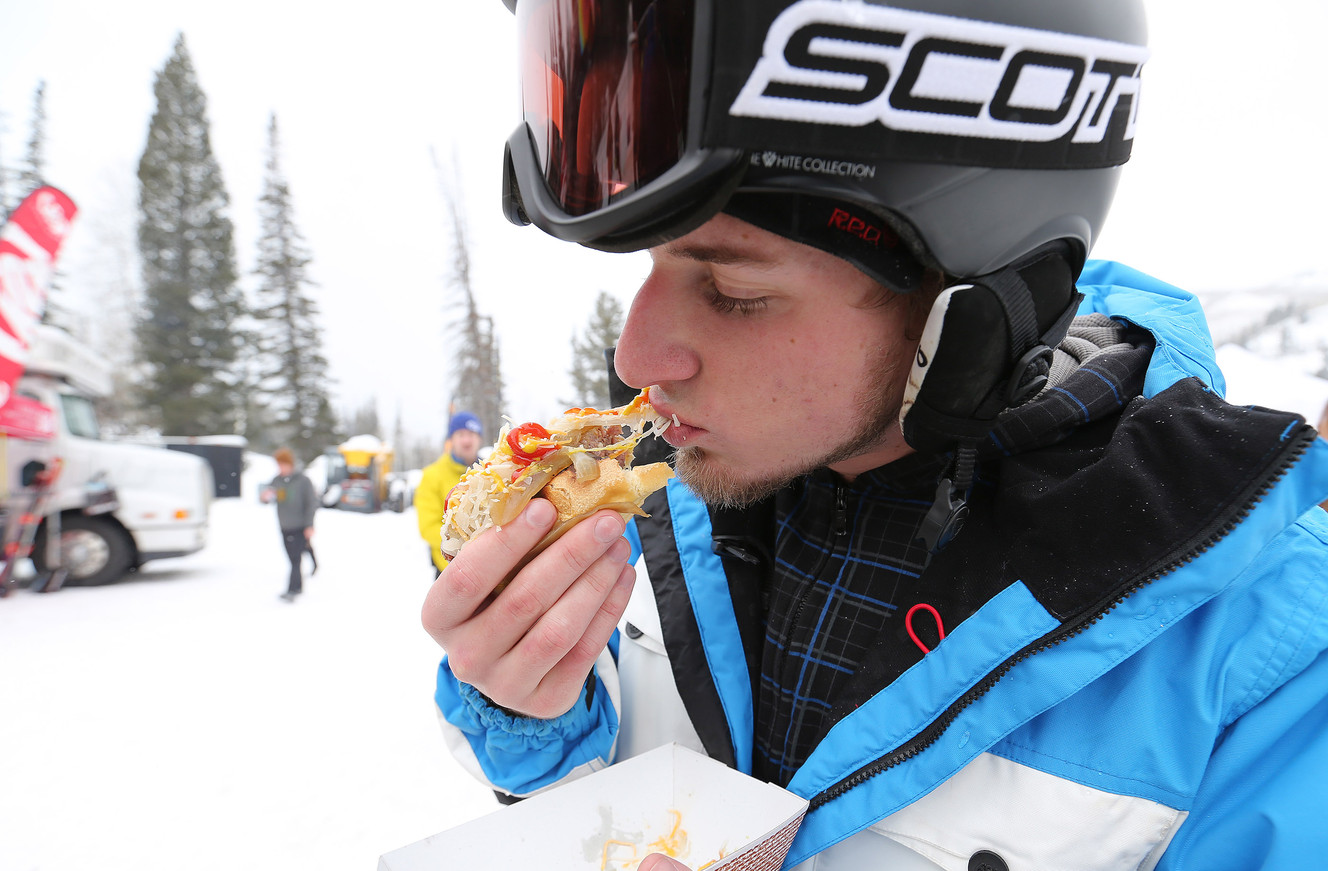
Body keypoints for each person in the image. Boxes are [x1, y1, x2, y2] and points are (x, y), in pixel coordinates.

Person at [421, 2, 1328, 869]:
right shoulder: (665, 507)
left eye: (735, 292)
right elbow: (612, 787)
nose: (634, 353)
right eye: (652, 266)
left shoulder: (1263, 638)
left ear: (963, 307)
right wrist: (532, 710)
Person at [415, 411, 484, 575]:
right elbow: (428, 527)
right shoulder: (432, 475)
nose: (467, 440)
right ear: (451, 440)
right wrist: (468, 546)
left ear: (479, 439)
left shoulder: (490, 471)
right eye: (461, 434)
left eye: (472, 434)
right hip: (450, 570)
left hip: (488, 566)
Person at [262, 447, 317, 602]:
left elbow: (311, 503)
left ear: (290, 463)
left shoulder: (303, 481)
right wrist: (265, 497)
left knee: (295, 559)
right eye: (278, 465)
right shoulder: (277, 480)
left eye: (282, 464)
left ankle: (293, 589)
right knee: (294, 556)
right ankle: (302, 580)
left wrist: (309, 525)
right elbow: (267, 497)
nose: (280, 468)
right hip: (284, 525)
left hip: (299, 525)